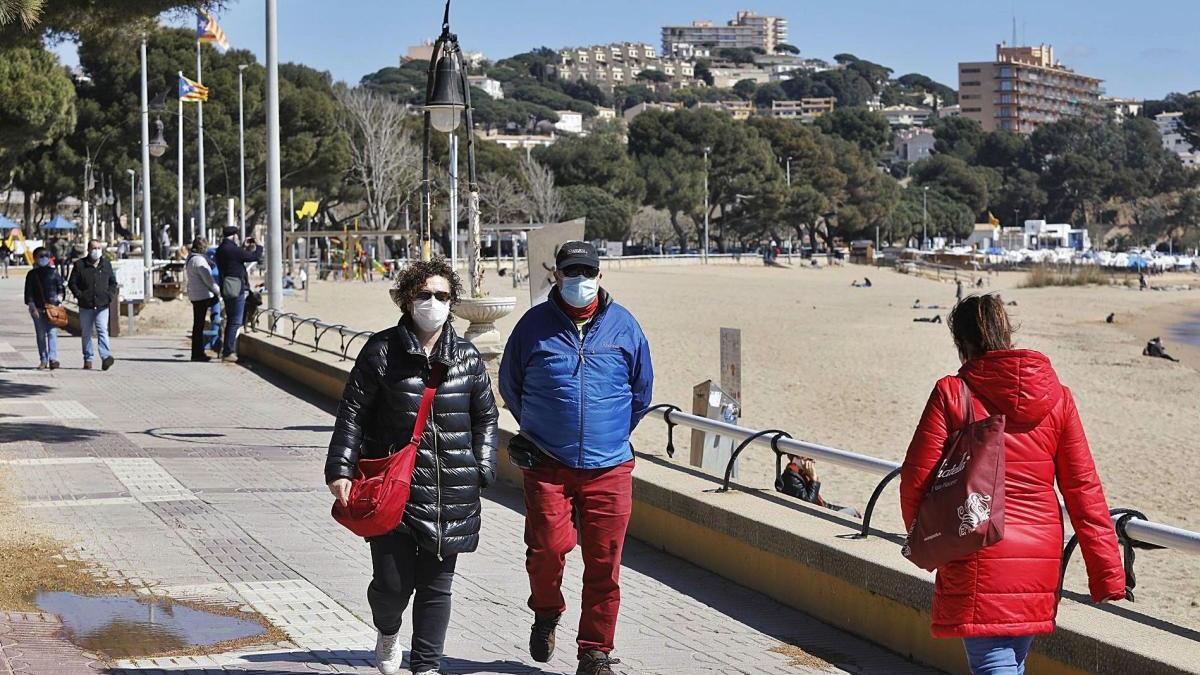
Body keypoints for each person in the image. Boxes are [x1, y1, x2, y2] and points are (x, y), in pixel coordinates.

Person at [900, 294, 1125, 675]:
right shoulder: (1057, 398)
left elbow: (915, 478)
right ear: (1006, 334)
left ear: (962, 343)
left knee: (996, 664)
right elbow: (1084, 489)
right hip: (1039, 557)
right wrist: (1106, 572)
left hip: (977, 548)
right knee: (1011, 663)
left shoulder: (952, 393)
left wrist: (930, 541)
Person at [325, 257, 498, 675]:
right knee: (392, 586)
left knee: (437, 588)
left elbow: (487, 417)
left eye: (442, 295)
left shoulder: (468, 358)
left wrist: (483, 466)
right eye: (424, 294)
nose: (433, 302)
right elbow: (353, 413)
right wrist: (341, 469)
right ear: (406, 299)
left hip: (451, 491)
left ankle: (426, 667)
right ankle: (387, 631)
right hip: (393, 489)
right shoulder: (381, 352)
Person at [499, 241, 654, 675]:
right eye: (572, 273)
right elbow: (511, 386)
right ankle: (546, 612)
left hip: (610, 467)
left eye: (587, 272)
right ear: (558, 277)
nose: (580, 281)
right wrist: (540, 429)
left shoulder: (625, 327)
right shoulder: (533, 327)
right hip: (548, 464)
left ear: (600, 277)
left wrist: (611, 435)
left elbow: (642, 393)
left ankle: (595, 652)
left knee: (605, 563)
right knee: (547, 548)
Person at [68, 239, 118, 371]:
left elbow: (113, 282)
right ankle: (88, 358)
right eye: (94, 248)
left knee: (102, 330)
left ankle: (105, 357)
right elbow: (72, 283)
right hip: (86, 305)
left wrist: (109, 295)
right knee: (86, 333)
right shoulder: (80, 265)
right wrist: (80, 295)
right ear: (89, 250)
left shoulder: (106, 264)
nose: (96, 251)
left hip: (102, 304)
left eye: (98, 248)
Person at [215, 226, 263, 363]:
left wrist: (242, 247)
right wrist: (259, 245)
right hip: (236, 289)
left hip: (226, 287)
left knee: (230, 319)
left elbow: (236, 259)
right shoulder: (233, 250)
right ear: (234, 236)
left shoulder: (221, 249)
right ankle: (228, 352)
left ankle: (227, 350)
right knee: (235, 321)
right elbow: (254, 256)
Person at [23, 247, 65, 370]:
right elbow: (28, 293)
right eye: (40, 256)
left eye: (46, 256)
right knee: (41, 335)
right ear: (35, 258)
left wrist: (58, 301)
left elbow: (61, 288)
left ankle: (53, 358)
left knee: (52, 333)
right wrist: (32, 307)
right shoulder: (32, 275)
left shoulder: (54, 273)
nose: (43, 259)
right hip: (38, 309)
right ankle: (43, 359)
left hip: (52, 309)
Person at [186, 237, 220, 362]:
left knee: (197, 325)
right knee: (199, 326)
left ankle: (197, 352)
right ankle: (197, 353)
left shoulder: (190, 258)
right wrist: (218, 292)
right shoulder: (199, 261)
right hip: (202, 296)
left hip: (195, 295)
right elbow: (209, 281)